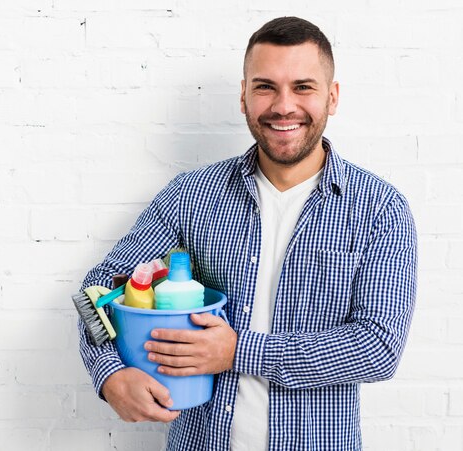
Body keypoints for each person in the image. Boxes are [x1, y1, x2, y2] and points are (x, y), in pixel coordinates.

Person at [77, 16, 417, 451]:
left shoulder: (380, 209)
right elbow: (99, 288)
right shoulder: (191, 195)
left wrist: (238, 352)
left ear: (332, 98)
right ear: (243, 97)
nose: (283, 105)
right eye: (265, 87)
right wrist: (109, 373)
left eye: (303, 87)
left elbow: (378, 346)